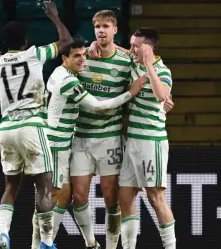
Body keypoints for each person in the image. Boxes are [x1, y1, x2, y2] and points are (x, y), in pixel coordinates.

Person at [0, 1, 71, 249]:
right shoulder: (34, 54)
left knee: (11, 186)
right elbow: (67, 42)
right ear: (25, 40)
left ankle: (3, 233)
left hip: (7, 129)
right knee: (44, 184)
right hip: (32, 125)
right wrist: (55, 18)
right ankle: (46, 242)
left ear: (4, 43)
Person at [44, 39, 146, 247]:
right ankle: (54, 243)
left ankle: (103, 246)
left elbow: (146, 67)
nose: (82, 59)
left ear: (114, 30)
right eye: (97, 26)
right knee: (70, 196)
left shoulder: (117, 60)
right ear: (66, 59)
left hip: (107, 139)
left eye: (106, 26)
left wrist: (165, 96)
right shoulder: (71, 75)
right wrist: (130, 93)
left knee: (110, 199)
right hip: (72, 140)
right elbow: (99, 106)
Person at [118, 27, 176, 249]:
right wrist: (95, 46)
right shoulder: (132, 62)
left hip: (151, 141)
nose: (131, 49)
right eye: (131, 44)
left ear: (149, 48)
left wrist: (149, 64)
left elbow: (162, 95)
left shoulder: (162, 71)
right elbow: (116, 49)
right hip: (131, 140)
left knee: (155, 198)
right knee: (125, 197)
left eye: (136, 45)